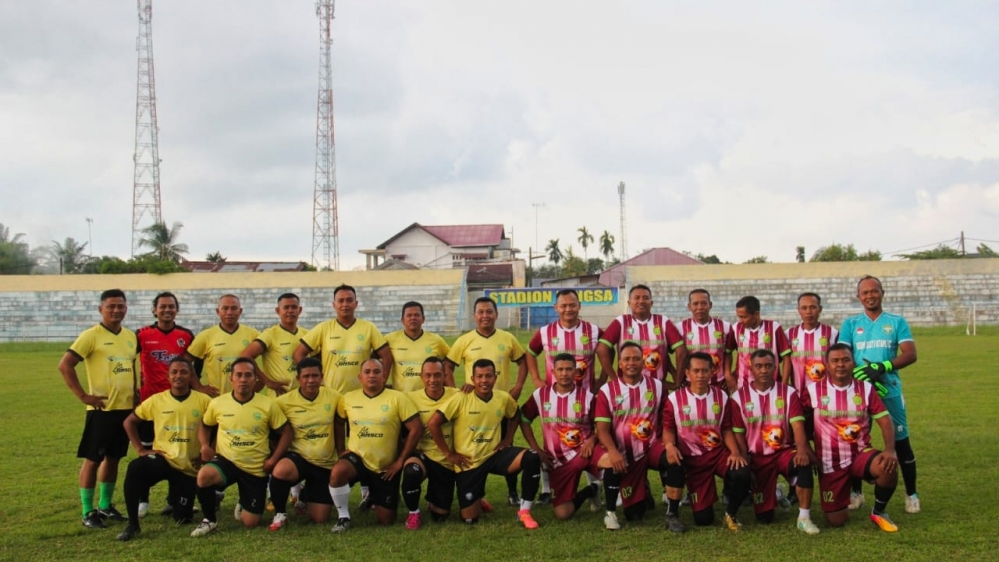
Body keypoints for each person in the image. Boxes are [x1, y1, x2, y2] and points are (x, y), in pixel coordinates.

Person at [428, 359, 543, 529]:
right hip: (469, 462)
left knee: (532, 457)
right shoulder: (461, 398)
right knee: (469, 519)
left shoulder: (503, 398)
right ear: (472, 379)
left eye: (488, 376)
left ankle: (524, 511)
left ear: (495, 377)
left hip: (494, 454)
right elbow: (433, 424)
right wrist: (449, 454)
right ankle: (478, 499)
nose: (484, 380)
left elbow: (515, 415)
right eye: (480, 376)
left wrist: (508, 439)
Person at [838, 275, 919, 513]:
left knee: (901, 443)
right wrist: (862, 373)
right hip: (858, 393)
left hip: (889, 390)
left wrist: (882, 367)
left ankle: (911, 494)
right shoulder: (851, 324)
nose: (870, 296)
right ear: (858, 297)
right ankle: (856, 493)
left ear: (883, 293)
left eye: (874, 291)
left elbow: (910, 354)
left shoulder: (896, 322)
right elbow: (843, 356)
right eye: (865, 292)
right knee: (854, 441)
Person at [58, 288, 138, 529]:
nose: (116, 310)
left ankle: (105, 505)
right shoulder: (91, 336)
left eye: (120, 306)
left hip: (124, 410)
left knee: (113, 459)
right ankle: (87, 511)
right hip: (101, 409)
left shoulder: (130, 336)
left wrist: (135, 393)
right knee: (93, 459)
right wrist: (83, 395)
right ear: (101, 309)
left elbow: (131, 368)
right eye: (111, 306)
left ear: (126, 308)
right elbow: (65, 365)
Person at [800, 343, 900, 532]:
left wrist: (889, 450)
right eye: (835, 361)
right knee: (836, 520)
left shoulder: (866, 389)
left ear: (853, 363)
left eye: (846, 360)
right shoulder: (813, 390)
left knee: (887, 467)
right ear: (827, 365)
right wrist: (805, 447)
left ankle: (879, 512)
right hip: (829, 461)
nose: (840, 365)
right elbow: (798, 421)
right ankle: (843, 496)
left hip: (860, 453)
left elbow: (885, 420)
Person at [190, 358, 293, 537]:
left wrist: (273, 459)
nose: (243, 379)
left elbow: (287, 433)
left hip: (255, 468)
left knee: (250, 523)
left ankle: (243, 501)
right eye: (239, 375)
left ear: (255, 379)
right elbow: (205, 426)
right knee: (204, 475)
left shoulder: (268, 404)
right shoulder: (218, 403)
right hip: (227, 461)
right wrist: (205, 446)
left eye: (248, 375)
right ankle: (209, 520)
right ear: (231, 379)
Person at [116, 357, 212, 541]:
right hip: (163, 459)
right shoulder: (157, 400)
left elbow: (217, 427)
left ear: (191, 376)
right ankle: (133, 525)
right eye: (174, 372)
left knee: (182, 518)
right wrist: (140, 449)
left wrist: (207, 450)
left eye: (184, 372)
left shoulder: (204, 401)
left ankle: (177, 502)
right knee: (135, 468)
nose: (178, 376)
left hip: (188, 467)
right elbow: (129, 422)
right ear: (168, 376)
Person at [446, 297, 528, 506]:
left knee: (505, 446)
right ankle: (476, 492)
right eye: (481, 312)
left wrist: (519, 385)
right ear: (474, 315)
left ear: (496, 314)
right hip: (473, 407)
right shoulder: (464, 340)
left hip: (500, 405)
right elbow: (448, 366)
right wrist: (455, 391)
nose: (485, 316)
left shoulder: (508, 338)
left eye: (489, 311)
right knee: (475, 449)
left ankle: (512, 492)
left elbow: (523, 361)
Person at [729, 350, 820, 534]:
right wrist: (746, 463)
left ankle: (804, 518)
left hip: (783, 452)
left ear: (775, 367)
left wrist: (802, 450)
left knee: (803, 462)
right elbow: (739, 435)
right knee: (765, 518)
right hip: (758, 458)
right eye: (759, 366)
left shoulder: (789, 393)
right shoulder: (738, 398)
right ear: (751, 369)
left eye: (768, 366)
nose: (764, 370)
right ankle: (777, 493)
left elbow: (798, 426)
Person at [327, 358, 423, 532]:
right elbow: (339, 422)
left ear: (384, 375)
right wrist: (341, 449)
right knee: (338, 472)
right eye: (367, 372)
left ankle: (373, 495)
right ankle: (343, 517)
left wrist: (400, 461)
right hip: (357, 458)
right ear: (360, 377)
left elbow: (416, 428)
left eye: (377, 372)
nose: (372, 375)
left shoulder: (398, 398)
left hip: (385, 465)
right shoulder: (347, 399)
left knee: (386, 520)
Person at [662, 352, 751, 531]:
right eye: (696, 371)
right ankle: (684, 505)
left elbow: (726, 428)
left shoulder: (722, 397)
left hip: (717, 454)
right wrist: (670, 446)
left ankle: (731, 514)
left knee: (741, 472)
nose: (700, 375)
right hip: (693, 460)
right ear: (687, 373)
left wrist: (735, 452)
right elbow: (668, 429)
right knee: (704, 519)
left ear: (712, 372)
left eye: (705, 370)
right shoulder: (674, 399)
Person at [594, 342, 676, 531]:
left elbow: (667, 420)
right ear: (620, 364)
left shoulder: (657, 386)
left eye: (636, 359)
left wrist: (669, 444)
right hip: (624, 451)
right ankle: (611, 513)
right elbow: (602, 430)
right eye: (627, 359)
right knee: (635, 514)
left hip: (651, 446)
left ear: (643, 361)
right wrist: (613, 451)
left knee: (672, 458)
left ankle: (672, 510)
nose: (632, 363)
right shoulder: (607, 391)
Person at [134, 291, 197, 517]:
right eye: (163, 306)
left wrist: (198, 388)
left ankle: (174, 500)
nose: (167, 310)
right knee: (147, 452)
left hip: (178, 404)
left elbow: (193, 367)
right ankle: (143, 499)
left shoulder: (185, 335)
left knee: (177, 451)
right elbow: (128, 359)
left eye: (171, 306)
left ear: (177, 310)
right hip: (150, 404)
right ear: (155, 310)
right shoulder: (142, 334)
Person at [520, 353, 603, 521]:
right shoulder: (540, 395)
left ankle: (615, 508)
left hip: (585, 452)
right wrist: (536, 449)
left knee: (611, 461)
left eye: (569, 369)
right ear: (553, 372)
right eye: (560, 369)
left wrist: (593, 440)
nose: (564, 373)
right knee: (563, 514)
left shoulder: (587, 397)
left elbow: (603, 426)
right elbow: (524, 419)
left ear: (576, 372)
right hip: (557, 461)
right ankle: (592, 490)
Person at [266, 357, 341, 531]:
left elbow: (340, 426)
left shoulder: (335, 397)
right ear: (298, 378)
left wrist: (341, 453)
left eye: (315, 376)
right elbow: (273, 432)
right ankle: (280, 513)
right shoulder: (283, 402)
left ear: (322, 377)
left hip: (324, 463)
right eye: (306, 376)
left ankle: (304, 496)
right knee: (281, 470)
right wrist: (275, 457)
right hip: (298, 458)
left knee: (320, 518)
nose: (311, 380)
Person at [294, 284, 392, 395]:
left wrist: (382, 382)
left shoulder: (368, 328)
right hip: (332, 394)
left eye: (349, 300)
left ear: (356, 304)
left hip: (361, 395)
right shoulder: (323, 328)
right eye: (341, 301)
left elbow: (387, 356)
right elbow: (298, 354)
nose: (345, 304)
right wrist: (314, 379)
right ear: (334, 305)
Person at [400, 357, 460, 529]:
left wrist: (469, 387)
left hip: (446, 461)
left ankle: (434, 501)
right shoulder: (410, 398)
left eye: (437, 375)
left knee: (440, 516)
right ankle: (413, 512)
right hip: (423, 454)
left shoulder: (457, 395)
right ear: (421, 377)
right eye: (428, 375)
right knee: (411, 472)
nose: (432, 380)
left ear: (445, 375)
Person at [596, 284, 687, 390]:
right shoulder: (621, 322)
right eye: (637, 298)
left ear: (651, 303)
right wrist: (614, 379)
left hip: (657, 388)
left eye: (645, 298)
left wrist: (677, 381)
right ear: (629, 303)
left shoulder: (663, 321)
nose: (641, 301)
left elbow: (681, 351)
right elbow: (601, 349)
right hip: (627, 388)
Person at [526, 289, 604, 391]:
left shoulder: (594, 331)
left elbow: (609, 351)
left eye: (572, 305)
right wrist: (536, 379)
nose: (568, 309)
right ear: (556, 307)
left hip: (586, 394)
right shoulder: (545, 331)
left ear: (579, 305)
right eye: (563, 306)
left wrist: (602, 379)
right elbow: (530, 352)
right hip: (554, 395)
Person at [186, 294, 259, 397]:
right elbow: (185, 361)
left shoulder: (253, 334)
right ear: (218, 311)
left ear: (240, 311)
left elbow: (270, 358)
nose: (229, 312)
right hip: (216, 397)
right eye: (225, 308)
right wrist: (198, 386)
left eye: (234, 308)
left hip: (244, 397)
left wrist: (262, 382)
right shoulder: (206, 336)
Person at [241, 293, 310, 396]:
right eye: (286, 307)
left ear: (299, 310)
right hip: (279, 395)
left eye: (294, 307)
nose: (290, 310)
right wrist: (266, 381)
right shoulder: (270, 334)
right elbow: (245, 356)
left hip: (304, 395)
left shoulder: (307, 334)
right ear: (278, 311)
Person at [727, 296, 791, 390]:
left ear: (756, 314)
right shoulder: (736, 328)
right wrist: (728, 374)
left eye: (744, 317)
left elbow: (786, 357)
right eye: (739, 316)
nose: (741, 320)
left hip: (772, 385)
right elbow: (727, 352)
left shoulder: (774, 328)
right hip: (744, 385)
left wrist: (784, 384)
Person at [385, 301, 451, 392]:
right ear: (402, 320)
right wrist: (381, 381)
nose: (413, 318)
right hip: (402, 396)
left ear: (423, 319)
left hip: (428, 397)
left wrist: (442, 379)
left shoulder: (436, 340)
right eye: (409, 315)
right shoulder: (390, 339)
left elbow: (450, 362)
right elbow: (374, 359)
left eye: (416, 315)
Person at [674, 288, 732, 389]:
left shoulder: (725, 327)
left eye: (704, 303)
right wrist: (678, 376)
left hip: (718, 383)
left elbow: (729, 353)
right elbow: (672, 354)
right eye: (695, 304)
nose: (700, 307)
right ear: (689, 306)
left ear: (710, 305)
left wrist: (728, 374)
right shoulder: (679, 328)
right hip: (691, 383)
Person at [786, 292, 839, 392]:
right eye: (804, 308)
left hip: (826, 392)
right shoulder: (789, 334)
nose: (808, 312)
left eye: (813, 307)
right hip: (798, 392)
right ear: (798, 310)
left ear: (820, 309)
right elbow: (786, 362)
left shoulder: (832, 333)